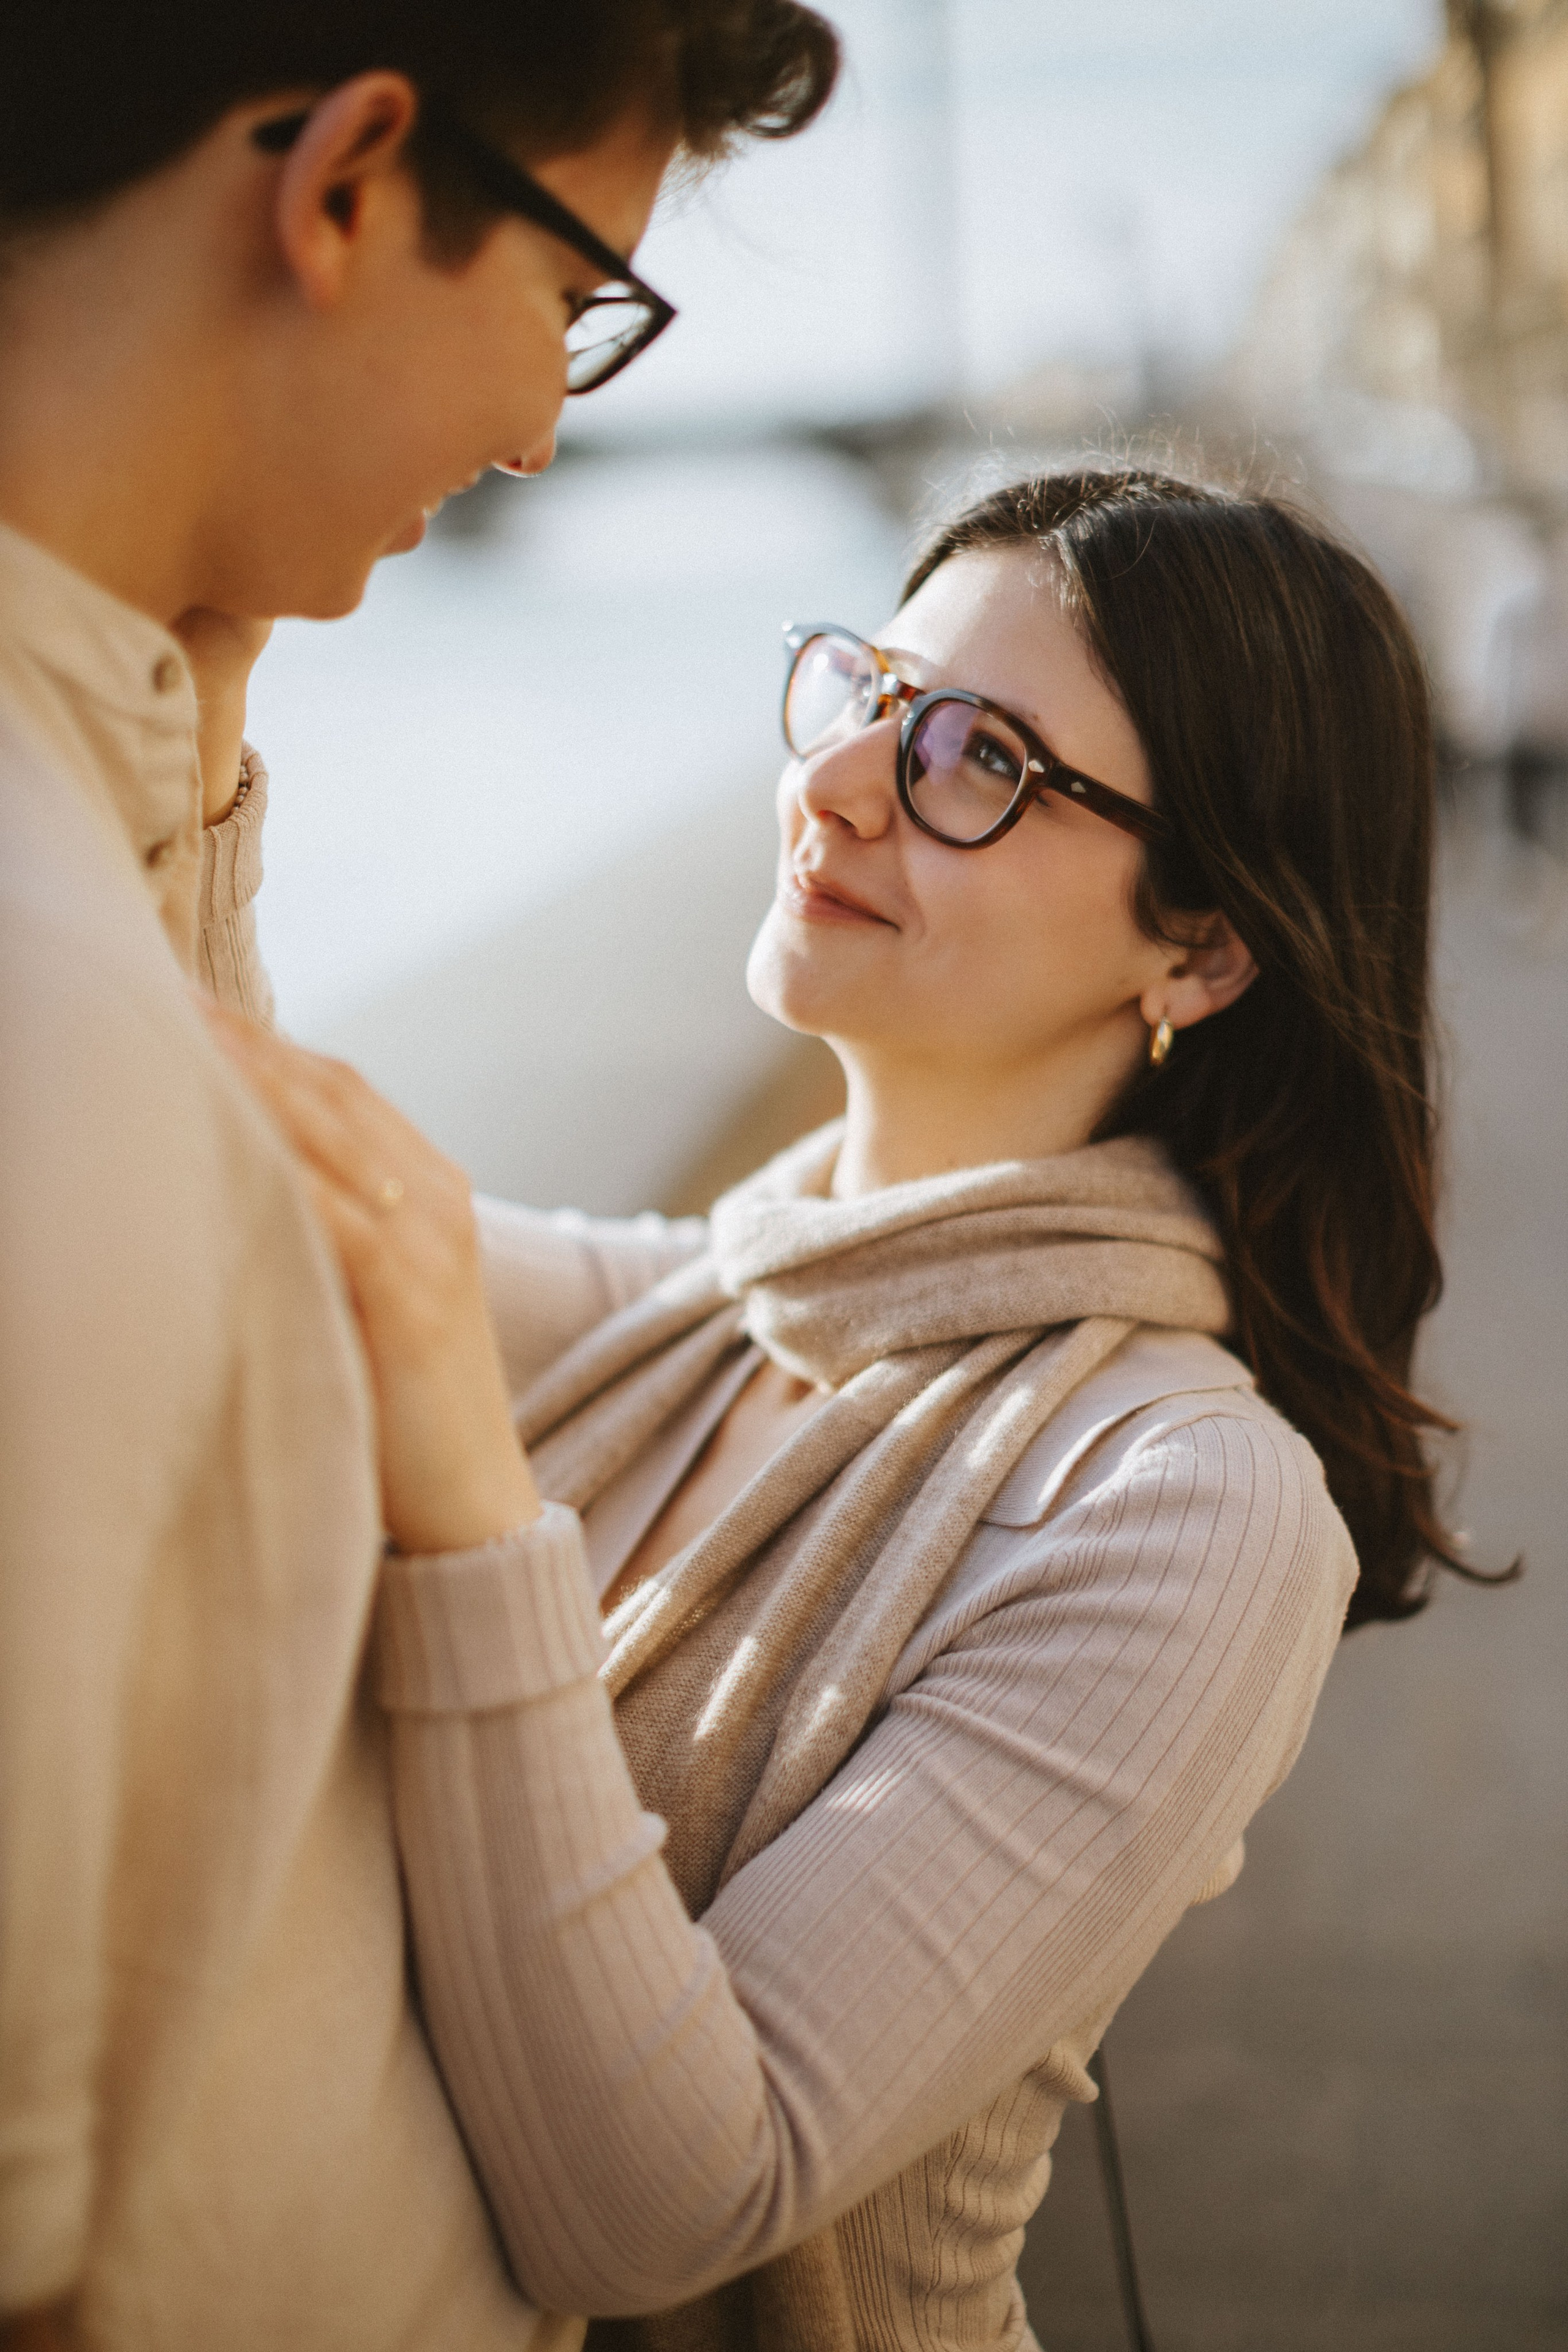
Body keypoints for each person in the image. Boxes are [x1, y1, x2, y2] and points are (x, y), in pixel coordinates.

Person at [203, 467, 1478, 2351]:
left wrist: (479, 1517)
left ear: (1199, 949)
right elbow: (250, 1170)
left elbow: (673, 2198)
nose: (839, 786)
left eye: (979, 761)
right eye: (866, 693)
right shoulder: (718, 1305)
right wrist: (201, 670)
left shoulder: (1185, 1506)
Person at [0, 6, 839, 2347]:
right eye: (579, 300)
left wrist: (199, 701)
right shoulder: (48, 1048)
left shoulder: (93, 866)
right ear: (351, 179)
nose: (551, 435)